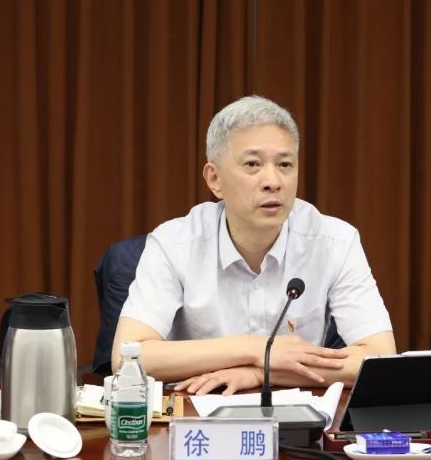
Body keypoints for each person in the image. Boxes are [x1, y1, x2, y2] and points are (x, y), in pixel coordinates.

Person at [112, 95, 396, 394]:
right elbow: (127, 357)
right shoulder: (174, 244)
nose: (273, 181)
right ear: (214, 179)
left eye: (285, 164)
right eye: (252, 164)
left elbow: (378, 357)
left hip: (295, 415)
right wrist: (257, 349)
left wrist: (261, 372)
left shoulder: (335, 241)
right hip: (196, 411)